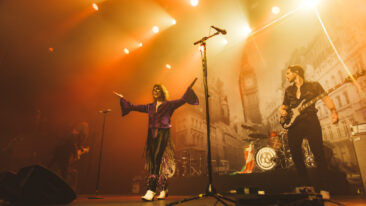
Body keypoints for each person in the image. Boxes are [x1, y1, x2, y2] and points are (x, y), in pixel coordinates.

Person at [114, 79, 199, 201]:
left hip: (163, 133)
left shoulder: (169, 105)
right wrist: (123, 99)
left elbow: (183, 100)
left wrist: (189, 89)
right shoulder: (150, 107)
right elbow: (133, 107)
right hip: (151, 134)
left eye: (158, 89)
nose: (155, 91)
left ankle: (151, 189)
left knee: (157, 157)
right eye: (154, 89)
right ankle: (164, 189)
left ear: (162, 92)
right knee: (158, 160)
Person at [279, 65, 338, 189]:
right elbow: (284, 105)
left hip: (311, 121)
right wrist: (283, 111)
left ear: (296, 72)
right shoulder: (289, 90)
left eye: (288, 73)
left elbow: (325, 98)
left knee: (318, 153)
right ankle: (305, 185)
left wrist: (333, 111)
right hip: (294, 124)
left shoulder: (314, 86)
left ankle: (324, 188)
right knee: (295, 153)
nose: (286, 75)